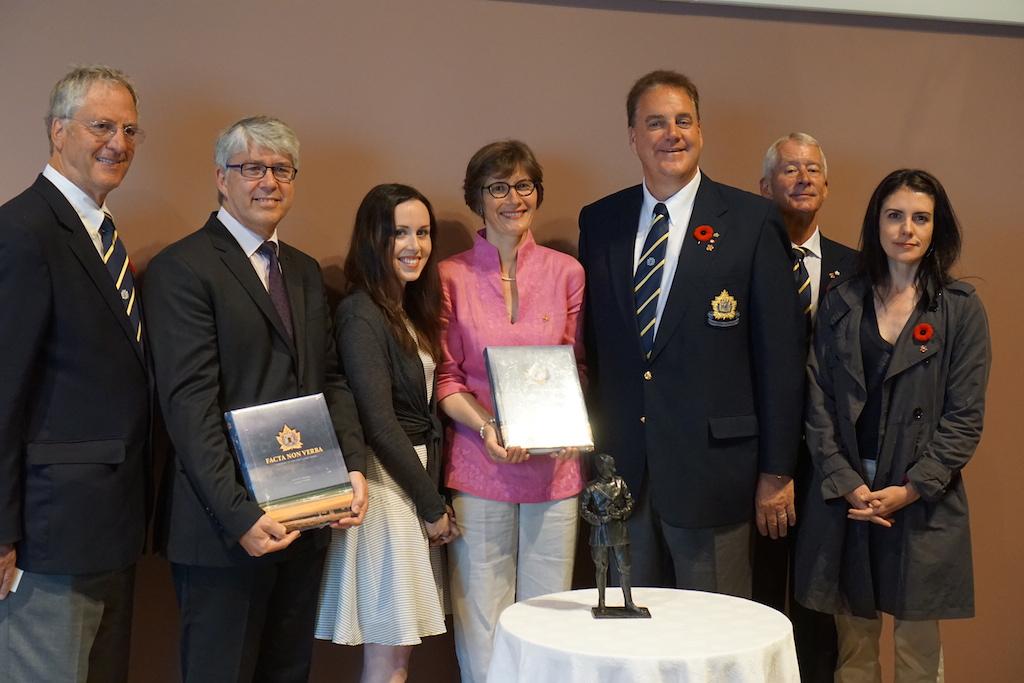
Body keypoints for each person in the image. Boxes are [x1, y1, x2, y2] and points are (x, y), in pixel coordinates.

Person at [143, 115, 368, 682]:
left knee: (287, 671)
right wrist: (241, 515)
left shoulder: (305, 272)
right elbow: (189, 407)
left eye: (281, 170)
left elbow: (331, 381)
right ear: (221, 178)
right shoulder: (181, 269)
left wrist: (352, 469)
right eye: (252, 168)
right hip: (226, 529)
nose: (268, 181)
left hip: (306, 516)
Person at [578, 70, 805, 597]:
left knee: (713, 640)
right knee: (628, 643)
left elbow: (780, 358)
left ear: (701, 132)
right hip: (622, 474)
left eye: (684, 121)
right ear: (633, 137)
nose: (671, 134)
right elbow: (592, 346)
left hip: (713, 474)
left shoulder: (751, 221)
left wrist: (777, 470)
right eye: (655, 123)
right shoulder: (601, 221)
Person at [795, 169, 990, 681]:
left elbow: (964, 418)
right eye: (895, 216)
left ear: (936, 229)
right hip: (850, 496)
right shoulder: (841, 301)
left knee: (917, 652)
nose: (906, 229)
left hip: (922, 496)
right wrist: (845, 482)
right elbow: (817, 403)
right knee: (854, 652)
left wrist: (910, 489)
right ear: (876, 224)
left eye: (920, 218)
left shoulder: (961, 311)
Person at [0, 65, 149, 683]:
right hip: (47, 535)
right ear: (58, 132)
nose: (119, 142)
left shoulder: (100, 232)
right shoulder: (22, 231)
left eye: (131, 129)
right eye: (101, 126)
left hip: (107, 528)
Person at [438, 140, 585, 682]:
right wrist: (488, 427)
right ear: (478, 197)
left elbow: (578, 367)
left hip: (556, 469)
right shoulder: (448, 276)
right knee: (483, 617)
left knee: (552, 616)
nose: (513, 198)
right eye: (498, 187)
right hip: (481, 465)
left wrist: (573, 423)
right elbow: (447, 377)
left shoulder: (567, 272)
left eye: (524, 185)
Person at [315, 184, 458, 682]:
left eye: (422, 233)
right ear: (372, 238)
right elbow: (378, 422)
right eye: (398, 233)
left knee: (396, 657)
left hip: (410, 484)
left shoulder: (408, 311)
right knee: (389, 656)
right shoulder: (361, 313)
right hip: (385, 490)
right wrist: (431, 505)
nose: (414, 245)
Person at [754, 132, 858, 681]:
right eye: (789, 170)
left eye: (813, 169)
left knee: (820, 605)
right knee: (759, 598)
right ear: (764, 185)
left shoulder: (859, 268)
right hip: (757, 461)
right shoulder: (742, 263)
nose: (803, 178)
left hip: (830, 463)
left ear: (827, 184)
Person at [580, 454, 641, 614]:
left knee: (625, 568)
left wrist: (620, 514)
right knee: (601, 568)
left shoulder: (620, 483)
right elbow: (584, 510)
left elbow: (630, 502)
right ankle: (601, 603)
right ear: (601, 468)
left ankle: (629, 602)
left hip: (619, 531)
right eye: (609, 467)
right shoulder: (591, 488)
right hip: (600, 533)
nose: (613, 470)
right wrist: (600, 519)